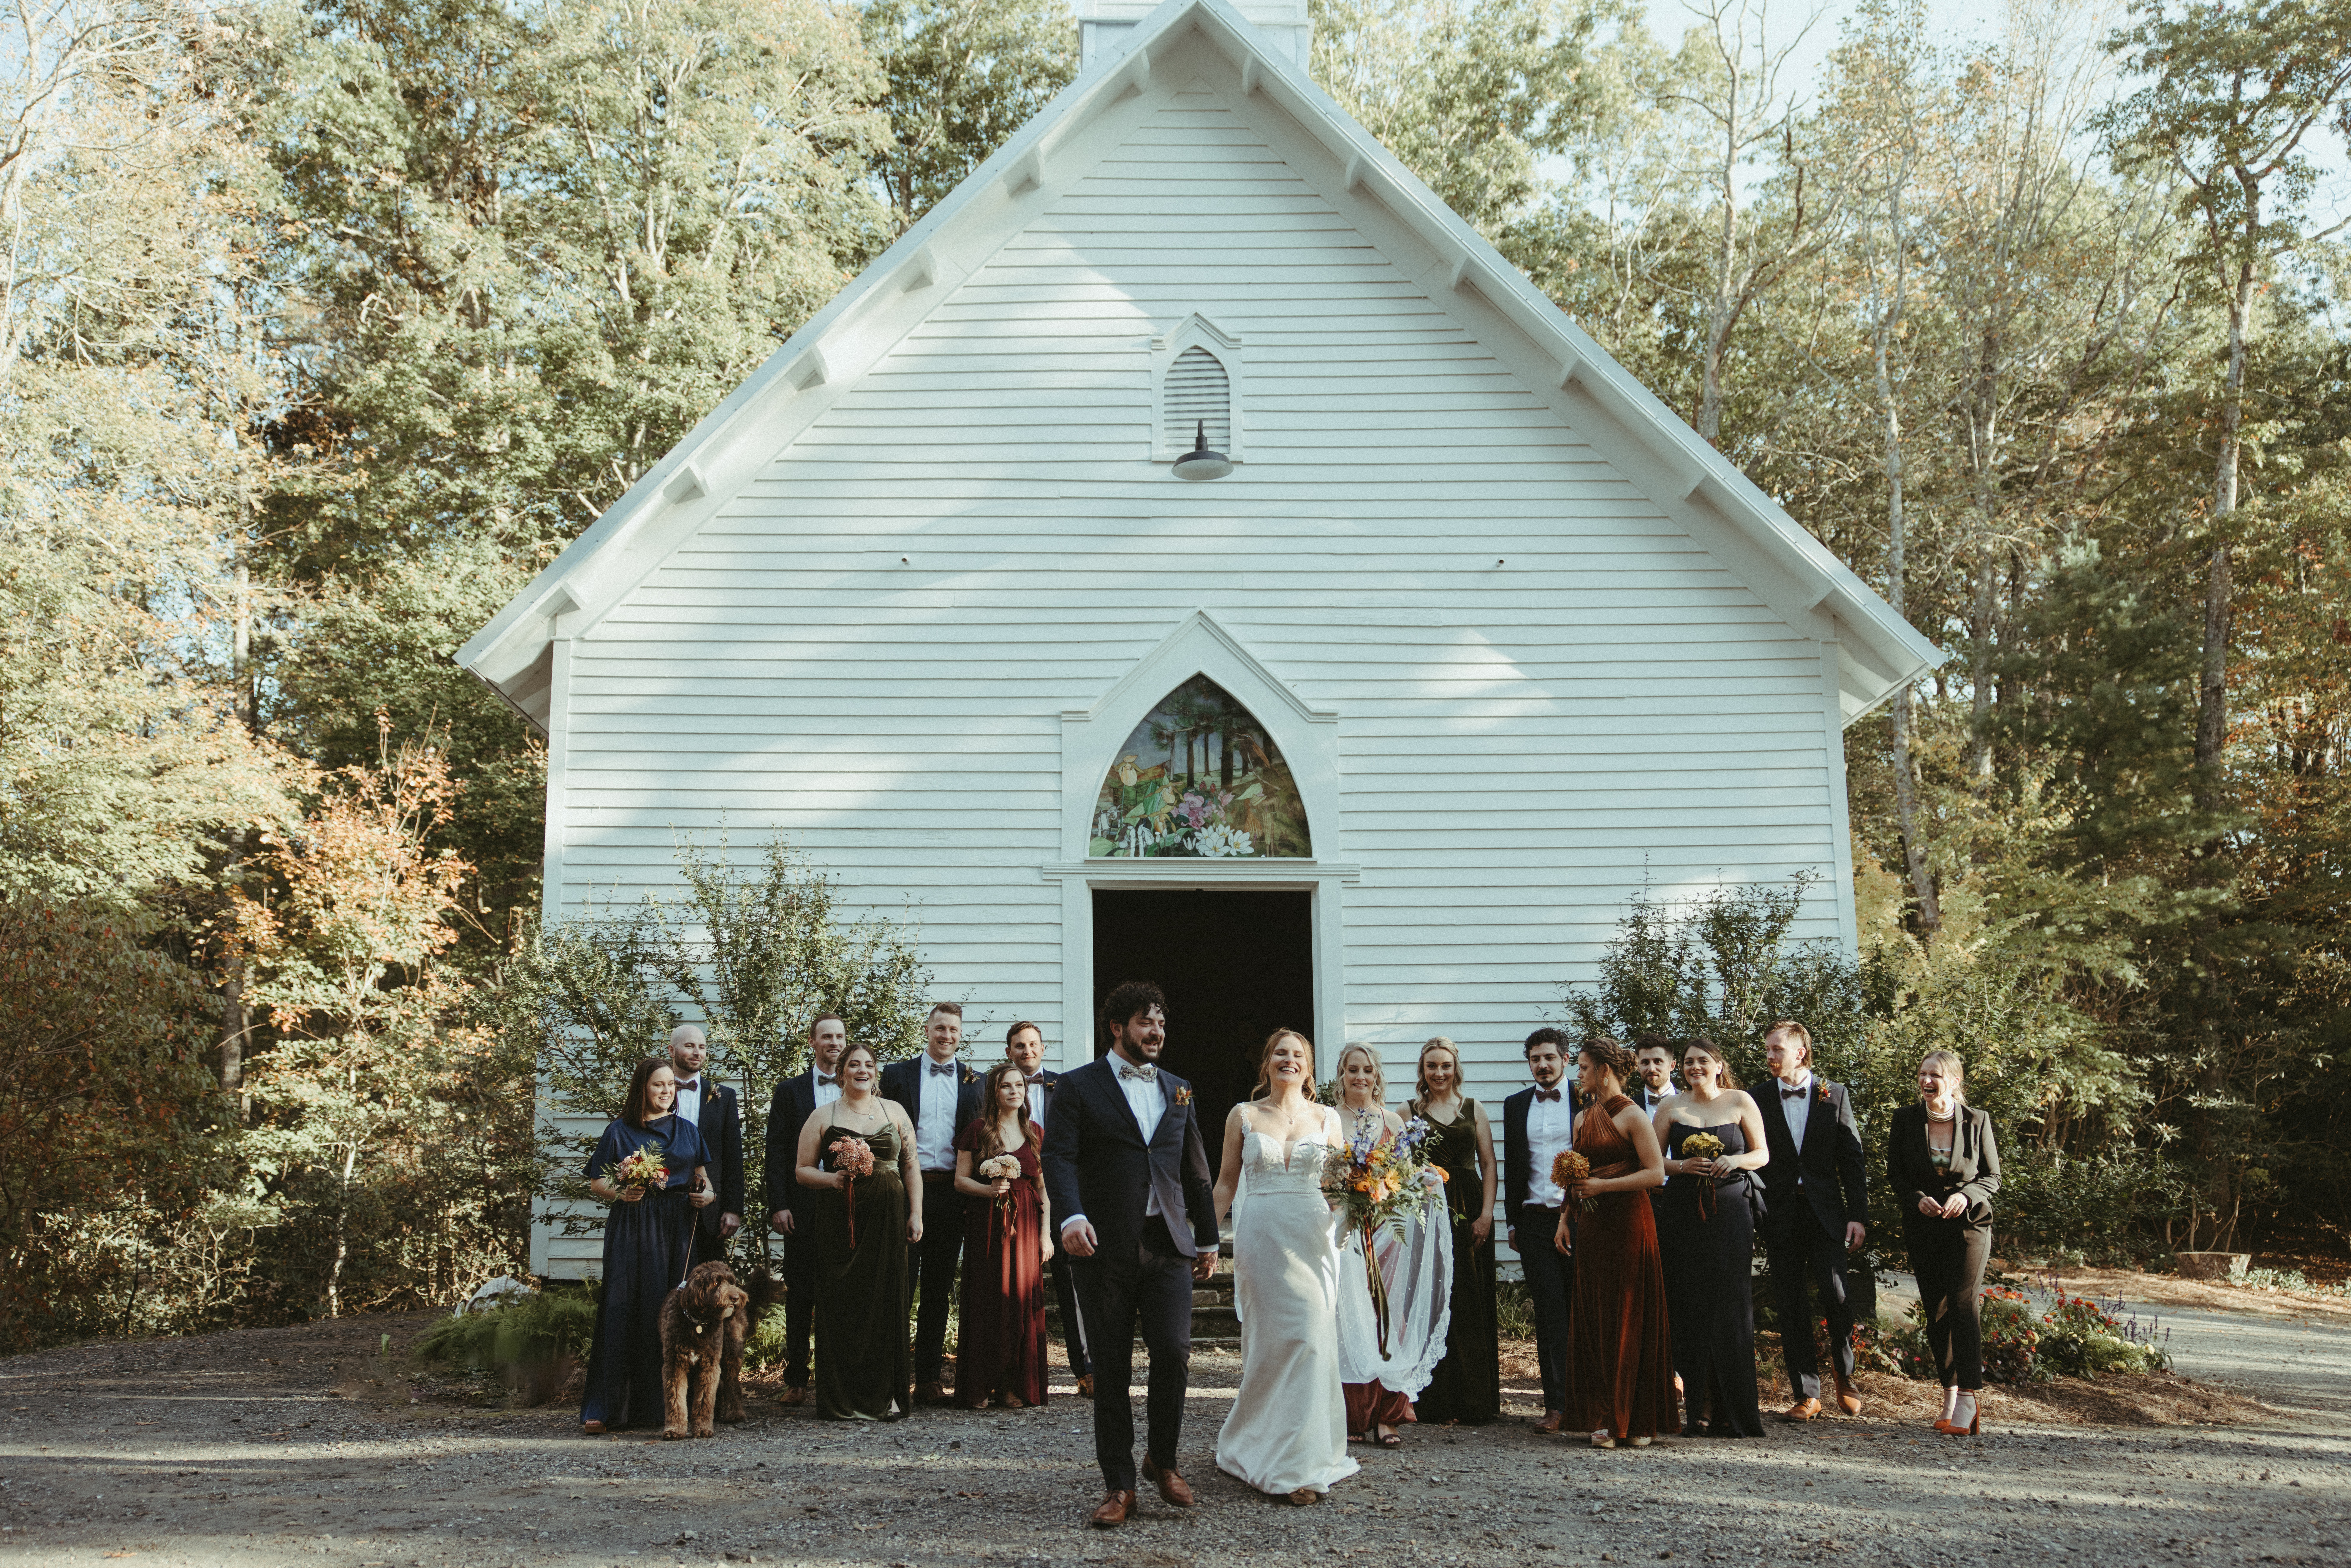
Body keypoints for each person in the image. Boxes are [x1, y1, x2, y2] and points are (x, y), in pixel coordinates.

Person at [1040, 981, 1219, 1529]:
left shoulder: (1180, 1089)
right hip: (1101, 1245)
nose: (1156, 1031)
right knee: (1111, 1366)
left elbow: (1193, 1167)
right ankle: (1118, 1484)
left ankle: (1161, 1461)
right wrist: (1070, 1216)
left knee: (1173, 1352)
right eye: (1145, 1021)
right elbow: (1059, 1156)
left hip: (1167, 1243)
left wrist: (1207, 1237)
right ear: (1117, 1028)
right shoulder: (1074, 1087)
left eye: (1161, 1022)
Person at [1211, 1029, 1359, 1504]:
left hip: (1314, 1238)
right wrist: (1204, 1240)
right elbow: (1224, 1185)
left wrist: (1363, 1212)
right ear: (1267, 1061)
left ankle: (1302, 1461)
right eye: (1280, 1052)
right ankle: (1260, 1444)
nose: (1288, 1060)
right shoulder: (1244, 1115)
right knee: (1271, 1344)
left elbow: (1340, 1186)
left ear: (1309, 1067)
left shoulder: (1327, 1117)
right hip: (1262, 1238)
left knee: (1312, 1340)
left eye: (1298, 1055)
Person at [580, 1059, 716, 1434]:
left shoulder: (688, 1131)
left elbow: (703, 1179)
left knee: (674, 1311)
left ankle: (669, 1409)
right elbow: (597, 1182)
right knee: (625, 1306)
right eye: (658, 1085)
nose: (666, 1091)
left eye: (670, 1085)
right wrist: (624, 1191)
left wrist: (706, 1195)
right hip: (634, 1224)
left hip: (678, 1227)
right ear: (642, 1087)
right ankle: (608, 1408)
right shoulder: (619, 1131)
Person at [1330, 1043, 1450, 1447]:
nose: (1360, 1077)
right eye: (1352, 1070)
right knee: (1348, 1319)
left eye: (1367, 1070)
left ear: (1376, 1075)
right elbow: (1326, 1178)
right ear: (1341, 1075)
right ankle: (1352, 1415)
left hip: (1386, 1231)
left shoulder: (1394, 1121)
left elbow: (1404, 1174)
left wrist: (1425, 1178)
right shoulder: (1329, 1120)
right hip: (1345, 1232)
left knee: (1386, 1315)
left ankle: (1387, 1415)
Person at [1555, 1035, 1672, 1448]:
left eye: (1584, 1067)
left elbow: (1655, 1174)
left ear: (1604, 1071)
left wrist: (1603, 1187)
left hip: (1628, 1223)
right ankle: (1602, 1413)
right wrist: (1564, 1219)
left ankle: (1635, 1419)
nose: (1578, 1074)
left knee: (1627, 1314)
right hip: (1590, 1225)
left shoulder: (1632, 1115)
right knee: (1596, 1316)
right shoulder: (1581, 1117)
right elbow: (1575, 1175)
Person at [796, 1041, 922, 1421]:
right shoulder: (822, 1114)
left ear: (876, 1072)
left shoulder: (894, 1111)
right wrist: (832, 1178)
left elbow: (911, 1165)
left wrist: (916, 1214)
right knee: (842, 1302)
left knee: (887, 1299)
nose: (862, 1070)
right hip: (839, 1222)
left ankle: (889, 1396)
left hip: (888, 1218)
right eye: (854, 1064)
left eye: (868, 1064)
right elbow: (802, 1170)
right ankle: (842, 1399)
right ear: (841, 1072)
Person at [1754, 1019, 1871, 1420]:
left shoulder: (1833, 1095)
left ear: (1800, 1052)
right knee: (1789, 1302)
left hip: (1825, 1213)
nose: (1769, 1057)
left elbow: (1851, 1162)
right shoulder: (1757, 1098)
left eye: (1776, 1050)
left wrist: (1857, 1215)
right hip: (1781, 1212)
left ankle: (1844, 1372)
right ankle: (1807, 1392)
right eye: (1767, 1050)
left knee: (1837, 1295)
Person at [1654, 1037, 1768, 1437]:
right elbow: (1651, 1160)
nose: (1694, 1067)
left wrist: (1733, 1160)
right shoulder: (1670, 1107)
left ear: (1718, 1065)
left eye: (1702, 1060)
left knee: (1728, 1306)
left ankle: (1733, 1409)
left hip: (1730, 1212)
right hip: (1682, 1213)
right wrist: (1682, 1166)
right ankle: (1698, 1406)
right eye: (1687, 1062)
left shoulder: (1739, 1101)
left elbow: (1762, 1154)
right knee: (1689, 1306)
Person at [1887, 1050, 2001, 1437]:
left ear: (1953, 1080)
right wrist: (1916, 1197)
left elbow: (1992, 1176)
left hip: (1969, 1225)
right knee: (1935, 1310)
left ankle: (1970, 1395)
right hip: (1924, 1225)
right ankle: (1949, 1395)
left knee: (1962, 1303)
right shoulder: (1904, 1120)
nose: (1925, 1080)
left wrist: (1966, 1195)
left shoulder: (1976, 1120)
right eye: (1921, 1073)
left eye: (1934, 1074)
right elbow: (1895, 1175)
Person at [880, 1002, 983, 1405]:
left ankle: (927, 1377)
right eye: (940, 1027)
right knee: (899, 1284)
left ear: (960, 1033)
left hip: (952, 1190)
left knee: (938, 1288)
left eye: (953, 1029)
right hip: (905, 1187)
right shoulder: (896, 1075)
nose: (946, 1035)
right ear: (926, 1029)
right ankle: (891, 1377)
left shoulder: (976, 1080)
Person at [1406, 1036, 1500, 1426]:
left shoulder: (1473, 1108)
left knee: (1469, 1301)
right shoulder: (1407, 1111)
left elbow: (1489, 1164)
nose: (1439, 1072)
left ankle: (1475, 1401)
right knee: (1432, 1300)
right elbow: (1396, 1168)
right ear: (1422, 1070)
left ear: (1455, 1067)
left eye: (1445, 1065)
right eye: (1432, 1066)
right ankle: (1436, 1402)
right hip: (1427, 1212)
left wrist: (1487, 1214)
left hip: (1469, 1210)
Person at [952, 1062, 1053, 1409]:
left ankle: (1013, 1385)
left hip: (1025, 1225)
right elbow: (960, 1180)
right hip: (987, 1224)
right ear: (994, 1092)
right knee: (987, 1300)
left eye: (1019, 1086)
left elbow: (1043, 1188)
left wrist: (1046, 1235)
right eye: (1007, 1086)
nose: (1015, 1091)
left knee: (1019, 1302)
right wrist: (990, 1191)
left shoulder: (1035, 1131)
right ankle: (980, 1383)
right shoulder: (977, 1130)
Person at [764, 1013, 847, 1405]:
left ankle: (839, 1377)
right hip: (802, 1203)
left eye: (840, 1037)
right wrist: (779, 1204)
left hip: (848, 1202)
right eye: (826, 1037)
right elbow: (776, 1151)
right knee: (800, 1294)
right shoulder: (790, 1091)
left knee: (843, 1290)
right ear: (812, 1043)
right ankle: (796, 1377)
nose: (834, 1042)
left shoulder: (860, 1087)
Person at [1007, 1019, 1092, 1396]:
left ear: (1043, 1048)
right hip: (1016, 1197)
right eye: (1019, 1046)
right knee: (1013, 1284)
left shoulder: (1068, 1085)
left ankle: (1086, 1368)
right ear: (1008, 1052)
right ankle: (1012, 1372)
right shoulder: (996, 1088)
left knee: (1073, 1282)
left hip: (1062, 1194)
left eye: (1033, 1045)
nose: (1027, 1051)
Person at [1501, 1027, 1577, 1433]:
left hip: (1581, 1217)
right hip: (1533, 1222)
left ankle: (1590, 1402)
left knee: (1583, 1309)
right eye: (1535, 1059)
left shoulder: (1587, 1098)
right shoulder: (1514, 1105)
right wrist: (1511, 1220)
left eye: (1549, 1057)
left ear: (1565, 1058)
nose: (1542, 1065)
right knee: (1549, 1313)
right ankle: (1556, 1406)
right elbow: (1514, 1165)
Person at [668, 1025, 744, 1270]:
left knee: (708, 1285)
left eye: (702, 1047)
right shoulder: (655, 1091)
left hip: (709, 1208)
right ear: (671, 1050)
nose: (697, 1053)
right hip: (662, 1204)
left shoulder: (724, 1097)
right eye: (689, 1046)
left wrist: (733, 1209)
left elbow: (733, 1157)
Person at [1630, 1036, 1677, 1118]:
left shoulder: (1690, 1103)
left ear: (1672, 1066)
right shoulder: (1630, 1108)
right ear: (1638, 1067)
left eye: (1658, 1062)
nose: (1651, 1069)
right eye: (1645, 1062)